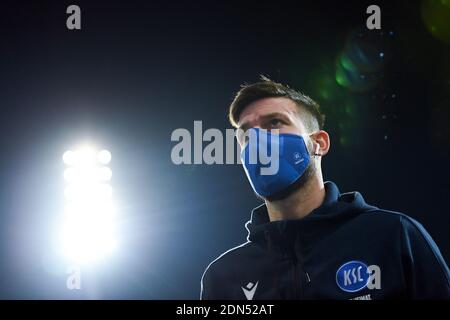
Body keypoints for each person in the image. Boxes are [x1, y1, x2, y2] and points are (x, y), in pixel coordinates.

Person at [200, 76, 450, 300]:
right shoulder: (223, 277)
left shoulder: (394, 237)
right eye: (245, 135)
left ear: (319, 143)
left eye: (274, 123)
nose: (257, 141)